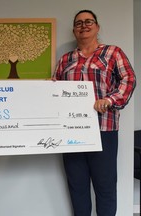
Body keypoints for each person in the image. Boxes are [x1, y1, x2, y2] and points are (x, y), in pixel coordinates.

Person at [52, 10, 136, 216]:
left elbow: (129, 79)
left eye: (89, 21)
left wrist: (109, 100)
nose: (84, 25)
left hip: (104, 129)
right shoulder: (66, 59)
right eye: (78, 23)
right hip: (71, 131)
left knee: (105, 186)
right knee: (77, 187)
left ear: (97, 27)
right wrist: (50, 89)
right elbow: (55, 91)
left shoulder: (113, 53)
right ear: (74, 30)